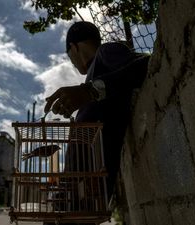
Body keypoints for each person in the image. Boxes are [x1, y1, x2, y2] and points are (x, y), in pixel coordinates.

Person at [44, 21, 150, 207]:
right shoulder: (91, 76)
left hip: (89, 190)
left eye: (70, 58)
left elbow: (144, 63)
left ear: (74, 47)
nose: (74, 65)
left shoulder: (105, 52)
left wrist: (90, 91)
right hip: (73, 192)